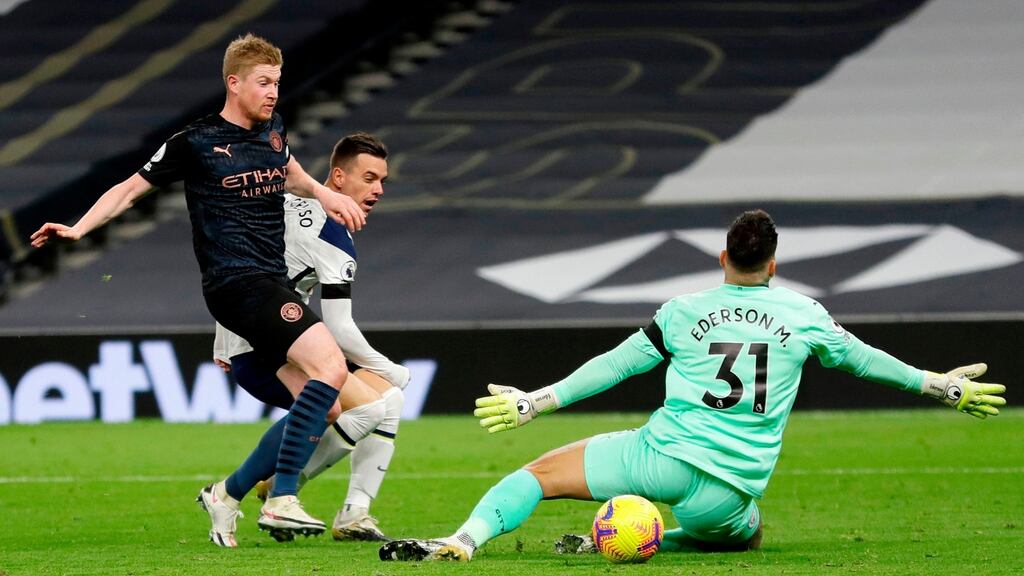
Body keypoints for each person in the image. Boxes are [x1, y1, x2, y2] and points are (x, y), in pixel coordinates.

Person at [378, 209, 1007, 562]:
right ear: (774, 264)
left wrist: (535, 400)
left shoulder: (684, 310)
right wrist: (941, 387)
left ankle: (463, 540)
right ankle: (666, 536)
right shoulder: (805, 316)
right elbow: (867, 362)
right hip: (730, 491)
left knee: (538, 477)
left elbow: (617, 364)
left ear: (723, 258)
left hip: (660, 459)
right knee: (749, 535)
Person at [30, 34, 368, 540]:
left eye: (277, 82)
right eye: (263, 82)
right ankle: (281, 499)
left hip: (269, 280)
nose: (274, 92)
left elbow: (289, 171)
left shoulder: (272, 130)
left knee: (326, 402)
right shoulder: (196, 142)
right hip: (237, 283)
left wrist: (324, 193)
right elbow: (129, 188)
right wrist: (79, 228)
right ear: (234, 83)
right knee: (332, 366)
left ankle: (224, 495)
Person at [198, 132, 409, 547]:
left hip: (259, 334)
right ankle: (261, 491)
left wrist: (224, 334)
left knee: (379, 403)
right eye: (369, 178)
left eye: (383, 181)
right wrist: (391, 368)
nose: (378, 190)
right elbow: (340, 327)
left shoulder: (286, 202)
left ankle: (352, 512)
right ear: (338, 177)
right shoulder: (333, 233)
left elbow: (242, 263)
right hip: (267, 345)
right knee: (366, 406)